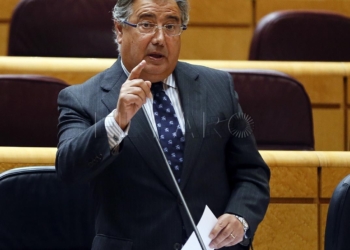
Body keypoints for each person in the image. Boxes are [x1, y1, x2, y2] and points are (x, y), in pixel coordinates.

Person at [55, 0, 270, 249]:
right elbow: (69, 170)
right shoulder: (82, 98)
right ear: (119, 29)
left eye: (171, 26)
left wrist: (240, 218)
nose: (160, 38)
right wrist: (116, 122)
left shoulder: (217, 87)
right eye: (146, 24)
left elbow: (251, 173)